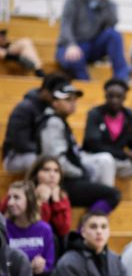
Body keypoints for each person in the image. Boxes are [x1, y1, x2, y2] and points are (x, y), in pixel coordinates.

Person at [37, 80, 121, 213]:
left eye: (74, 100)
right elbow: (57, 162)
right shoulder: (53, 123)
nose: (73, 103)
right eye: (67, 99)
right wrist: (81, 172)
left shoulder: (60, 121)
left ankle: (91, 222)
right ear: (54, 102)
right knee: (112, 194)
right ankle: (86, 226)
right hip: (62, 182)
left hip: (68, 178)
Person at [82, 78, 132, 204]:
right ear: (105, 96)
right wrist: (126, 154)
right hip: (95, 160)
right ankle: (108, 202)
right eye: (110, 96)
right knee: (106, 159)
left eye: (119, 96)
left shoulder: (129, 115)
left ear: (124, 98)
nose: (114, 100)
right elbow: (94, 145)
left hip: (118, 161)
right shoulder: (95, 113)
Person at [56, 0, 131, 82]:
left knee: (114, 35)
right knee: (73, 59)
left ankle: (122, 79)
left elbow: (113, 22)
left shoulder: (107, 2)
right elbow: (66, 24)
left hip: (93, 45)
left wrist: (106, 2)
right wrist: (71, 44)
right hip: (73, 45)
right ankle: (87, 85)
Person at [2, 73, 67, 173]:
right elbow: (20, 143)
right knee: (40, 162)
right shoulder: (24, 108)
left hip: (41, 152)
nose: (57, 99)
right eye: (55, 95)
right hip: (15, 156)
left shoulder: (53, 108)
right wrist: (46, 152)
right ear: (46, 91)